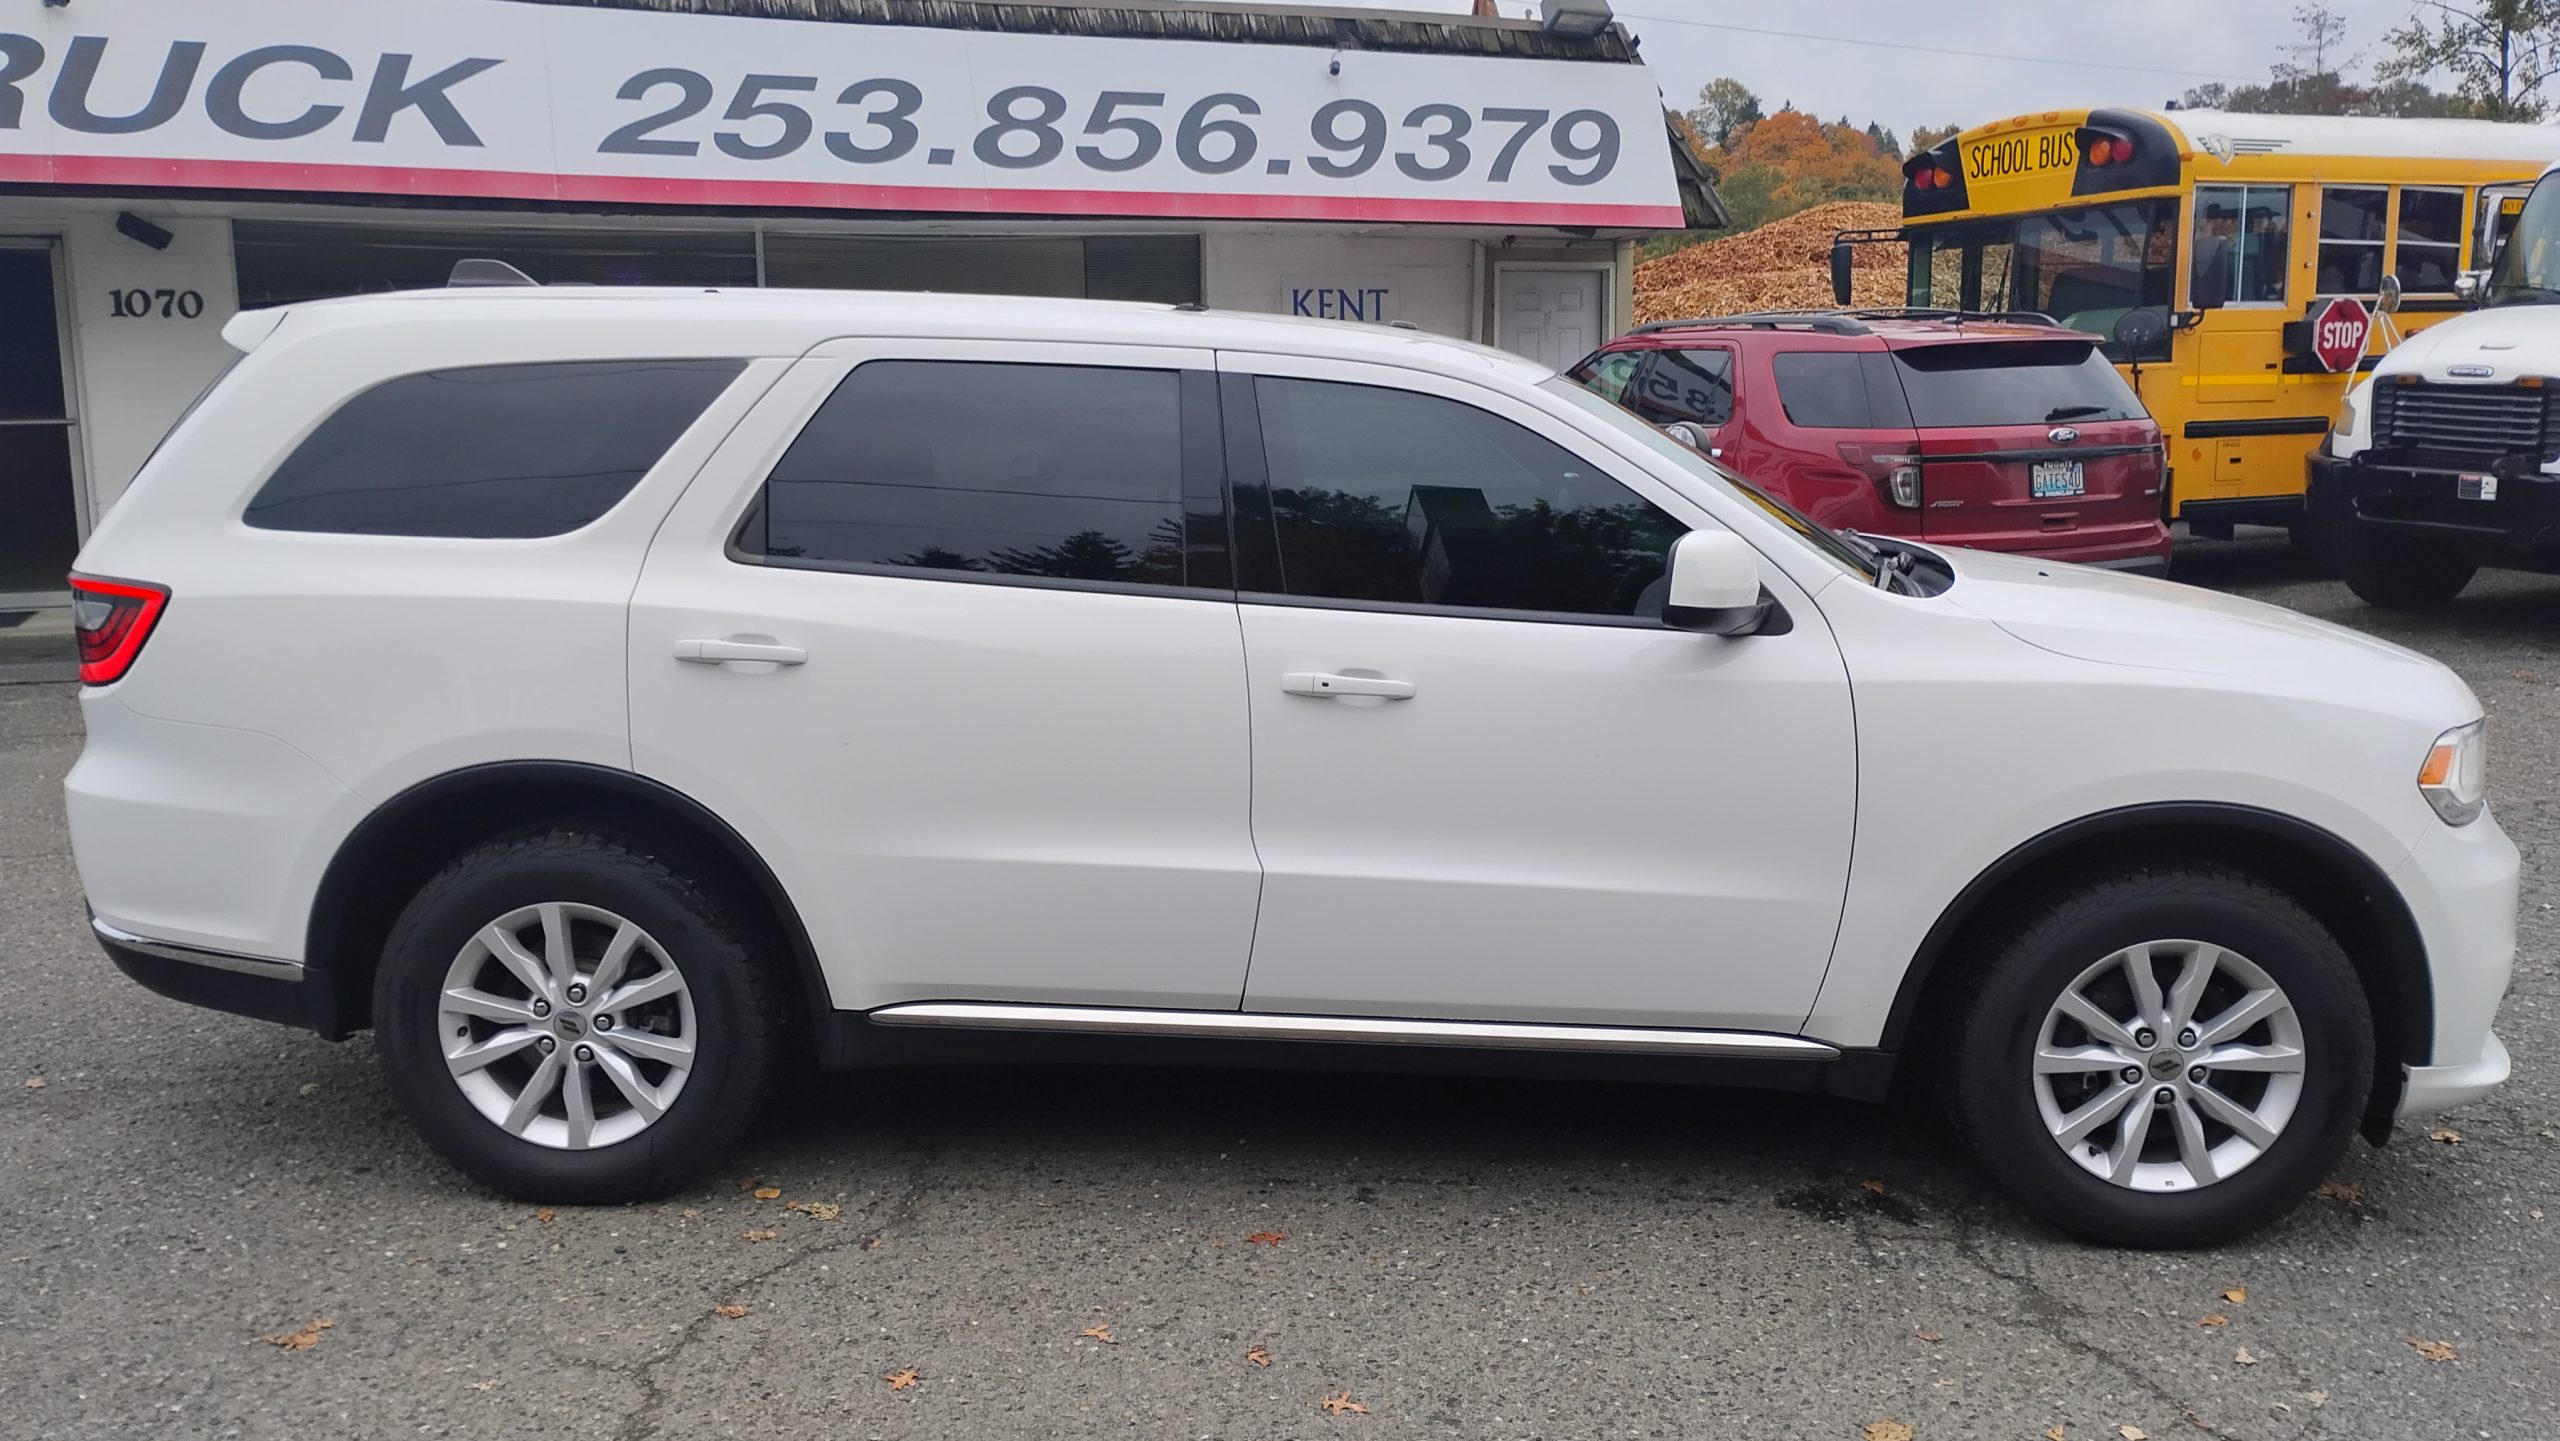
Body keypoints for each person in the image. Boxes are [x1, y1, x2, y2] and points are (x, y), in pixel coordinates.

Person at [2191, 202, 2236, 309]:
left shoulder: (2218, 250)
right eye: (2195, 230)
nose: (2197, 234)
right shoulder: (2191, 253)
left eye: (2202, 229)